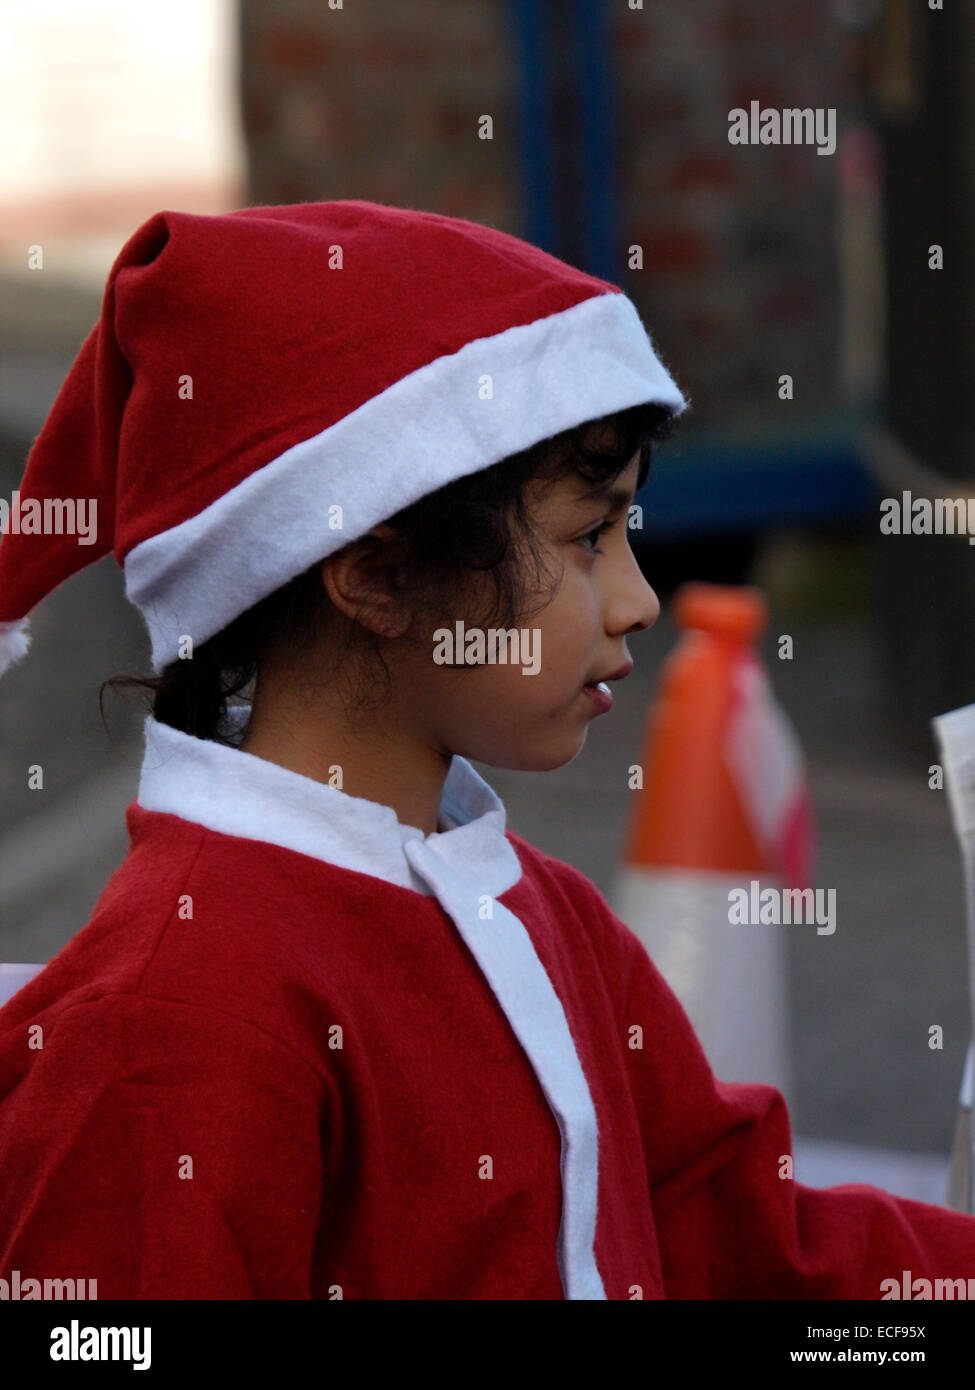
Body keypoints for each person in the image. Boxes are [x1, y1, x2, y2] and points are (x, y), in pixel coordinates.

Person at [1, 199, 974, 1300]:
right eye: (586, 536)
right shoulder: (175, 1012)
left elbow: (730, 1234)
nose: (638, 601)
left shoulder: (546, 916)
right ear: (374, 574)